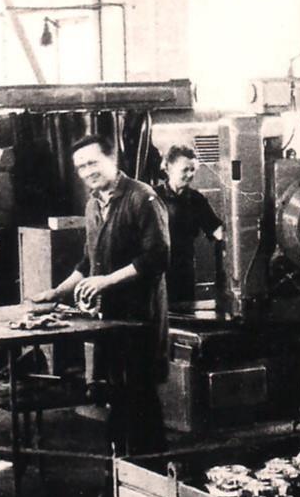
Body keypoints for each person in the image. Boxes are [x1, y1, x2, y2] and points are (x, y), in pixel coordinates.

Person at [30, 134, 170, 456]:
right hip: (108, 319)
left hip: (140, 317)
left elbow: (157, 258)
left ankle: (152, 470)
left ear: (112, 159)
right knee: (115, 395)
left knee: (141, 397)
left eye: (92, 162)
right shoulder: (93, 204)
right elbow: (87, 260)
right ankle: (119, 470)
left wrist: (106, 281)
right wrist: (58, 291)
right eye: (80, 167)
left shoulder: (142, 198)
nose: (87, 171)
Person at [154, 145, 224, 304]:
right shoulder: (153, 196)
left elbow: (216, 230)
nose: (190, 175)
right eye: (185, 170)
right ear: (169, 168)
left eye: (192, 170)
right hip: (157, 274)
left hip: (184, 273)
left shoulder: (197, 200)